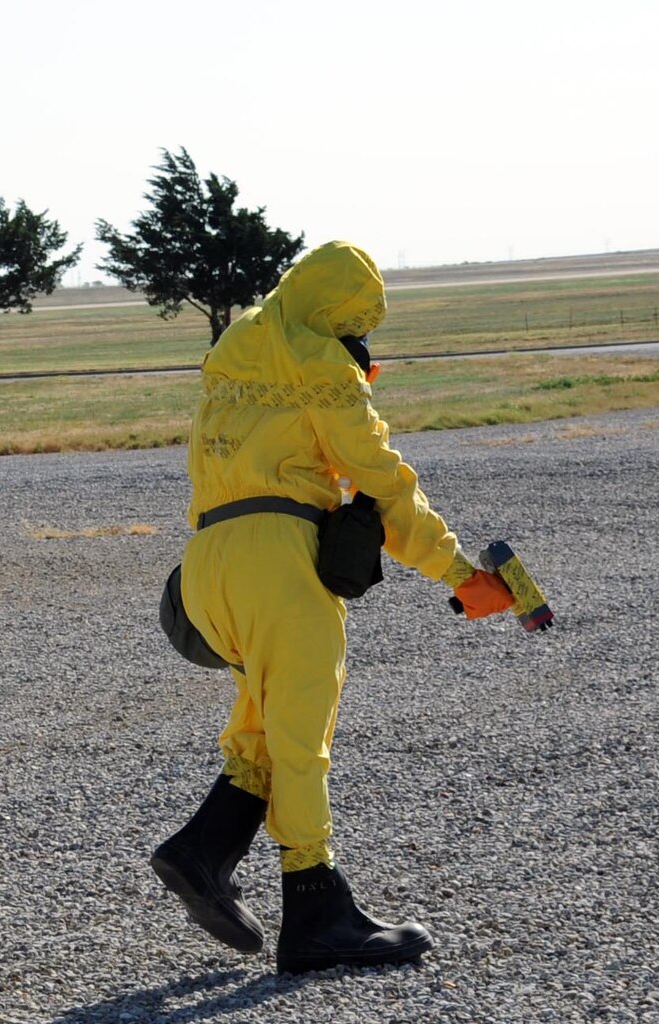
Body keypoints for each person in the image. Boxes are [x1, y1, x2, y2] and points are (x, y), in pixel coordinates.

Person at [150, 240, 515, 975]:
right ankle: (316, 911)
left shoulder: (239, 348)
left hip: (208, 562)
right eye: (359, 324)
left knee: (263, 713)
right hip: (279, 561)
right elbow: (383, 484)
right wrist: (458, 572)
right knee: (301, 734)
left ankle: (203, 851)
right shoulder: (324, 365)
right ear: (343, 314)